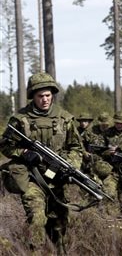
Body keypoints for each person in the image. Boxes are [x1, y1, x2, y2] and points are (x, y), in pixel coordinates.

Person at [0, 72, 84, 253]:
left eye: (48, 95)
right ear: (33, 96)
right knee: (37, 218)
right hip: (32, 177)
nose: (45, 100)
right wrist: (22, 152)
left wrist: (70, 166)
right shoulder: (20, 120)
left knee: (60, 222)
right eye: (40, 96)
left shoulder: (65, 119)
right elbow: (5, 146)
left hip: (56, 178)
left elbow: (76, 148)